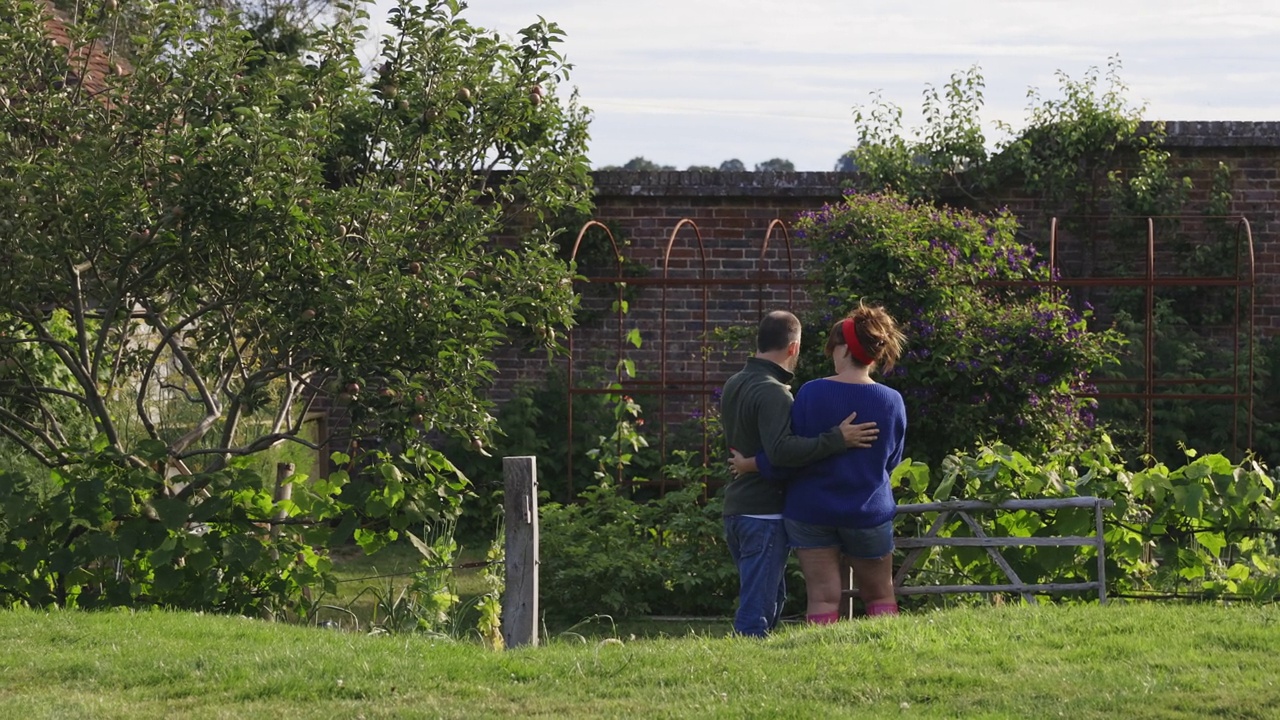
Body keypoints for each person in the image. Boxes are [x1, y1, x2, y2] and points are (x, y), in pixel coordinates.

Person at [730, 303, 907, 624]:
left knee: (823, 595)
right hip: (867, 510)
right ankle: (886, 649)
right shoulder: (891, 400)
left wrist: (752, 464)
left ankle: (823, 655)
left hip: (811, 511)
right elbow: (892, 459)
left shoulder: (811, 393)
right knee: (880, 592)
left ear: (842, 349)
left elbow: (789, 457)